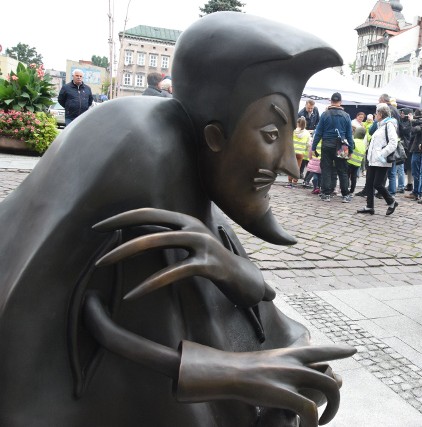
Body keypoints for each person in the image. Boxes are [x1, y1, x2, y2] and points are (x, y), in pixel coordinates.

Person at [0, 12, 354, 426]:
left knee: (303, 380)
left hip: (169, 352)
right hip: (59, 379)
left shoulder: (190, 160)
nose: (290, 168)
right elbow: (90, 312)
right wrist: (222, 373)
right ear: (214, 136)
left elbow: (241, 285)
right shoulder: (145, 147)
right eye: (271, 135)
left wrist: (234, 273)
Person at [356, 103, 399, 216]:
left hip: (381, 160)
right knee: (370, 183)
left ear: (380, 114)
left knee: (377, 184)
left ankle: (391, 201)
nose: (375, 115)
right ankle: (370, 206)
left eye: (376, 113)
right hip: (373, 159)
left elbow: (393, 142)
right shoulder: (381, 125)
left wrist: (382, 154)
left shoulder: (389, 125)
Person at [311, 92, 355, 203]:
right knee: (343, 170)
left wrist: (313, 147)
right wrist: (351, 150)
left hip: (327, 144)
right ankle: (345, 194)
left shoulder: (325, 114)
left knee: (326, 169)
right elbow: (349, 135)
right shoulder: (346, 116)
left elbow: (318, 133)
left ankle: (326, 194)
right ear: (340, 102)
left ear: (331, 101)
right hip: (342, 146)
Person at [405, 111, 422, 201]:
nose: (421, 117)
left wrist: (412, 121)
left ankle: (417, 193)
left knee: (418, 173)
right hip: (419, 151)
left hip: (420, 151)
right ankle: (417, 192)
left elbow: (415, 130)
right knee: (418, 173)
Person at [286, 116, 311, 187]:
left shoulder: (293, 131)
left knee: (290, 167)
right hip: (301, 153)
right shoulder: (307, 133)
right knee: (298, 168)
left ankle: (289, 182)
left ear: (297, 123)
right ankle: (295, 182)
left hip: (292, 152)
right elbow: (309, 144)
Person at [347, 126, 367, 194]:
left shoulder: (354, 141)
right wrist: (363, 168)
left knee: (346, 176)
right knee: (354, 177)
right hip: (357, 164)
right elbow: (363, 157)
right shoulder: (363, 144)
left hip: (349, 161)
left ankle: (346, 189)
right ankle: (352, 190)